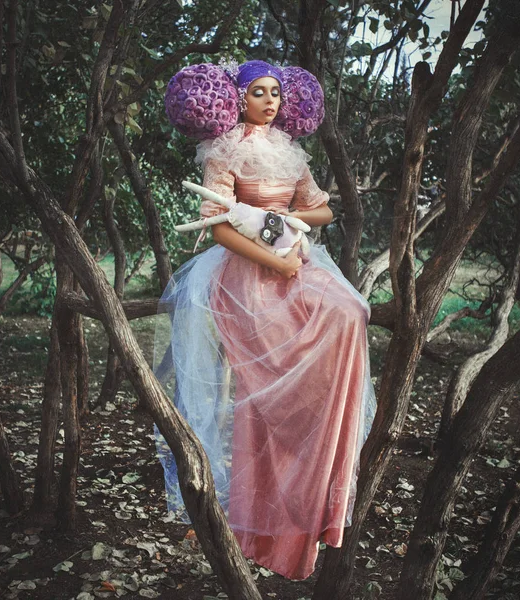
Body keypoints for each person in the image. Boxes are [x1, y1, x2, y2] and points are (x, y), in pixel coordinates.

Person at [154, 59, 376, 580]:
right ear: (238, 98)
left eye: (276, 92)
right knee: (270, 375)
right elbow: (219, 229)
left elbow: (321, 210)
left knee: (352, 310)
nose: (270, 100)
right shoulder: (224, 150)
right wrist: (272, 253)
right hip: (247, 269)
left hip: (294, 253)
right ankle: (282, 449)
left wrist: (286, 223)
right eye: (259, 92)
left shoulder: (290, 151)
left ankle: (323, 452)